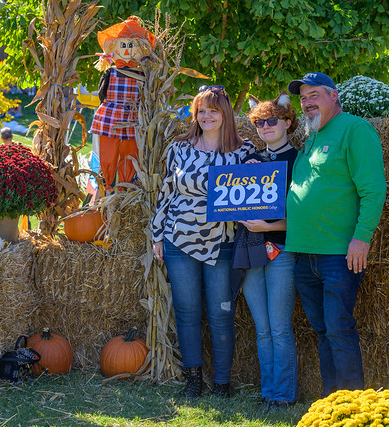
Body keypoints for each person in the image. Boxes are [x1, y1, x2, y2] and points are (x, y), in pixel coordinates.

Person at [150, 85, 255, 398]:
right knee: (187, 311)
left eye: (213, 110)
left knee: (221, 314)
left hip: (221, 241)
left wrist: (255, 171)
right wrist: (157, 235)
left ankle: (222, 382)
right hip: (179, 238)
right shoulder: (179, 148)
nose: (207, 116)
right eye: (201, 111)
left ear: (225, 114)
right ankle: (193, 379)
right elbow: (166, 192)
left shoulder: (243, 151)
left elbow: (255, 192)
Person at [285, 72, 386, 396]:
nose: (307, 102)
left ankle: (352, 404)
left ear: (334, 95)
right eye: (303, 98)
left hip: (337, 255)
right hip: (303, 254)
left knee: (339, 328)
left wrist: (362, 238)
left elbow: (373, 190)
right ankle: (332, 401)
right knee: (322, 330)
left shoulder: (355, 129)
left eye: (314, 94)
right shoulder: (311, 137)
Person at [234, 91, 299, 408]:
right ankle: (268, 393)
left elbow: (305, 217)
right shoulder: (251, 162)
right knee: (263, 330)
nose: (265, 126)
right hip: (252, 250)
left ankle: (283, 395)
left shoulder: (299, 161)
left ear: (288, 122)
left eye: (272, 120)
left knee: (279, 328)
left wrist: (269, 227)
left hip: (282, 250)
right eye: (259, 122)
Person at [91, 16, 155, 190]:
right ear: (113, 47)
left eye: (131, 45)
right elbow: (103, 93)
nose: (126, 50)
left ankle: (125, 185)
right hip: (110, 116)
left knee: (130, 152)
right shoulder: (111, 72)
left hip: (134, 116)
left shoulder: (144, 75)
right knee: (108, 151)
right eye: (123, 45)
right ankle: (108, 182)